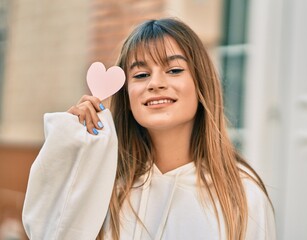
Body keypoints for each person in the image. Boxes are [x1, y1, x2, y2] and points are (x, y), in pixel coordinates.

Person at [22, 18, 276, 240]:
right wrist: (68, 149)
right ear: (127, 95)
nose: (155, 83)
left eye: (174, 70)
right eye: (141, 75)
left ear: (200, 86)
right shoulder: (106, 186)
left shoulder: (242, 195)